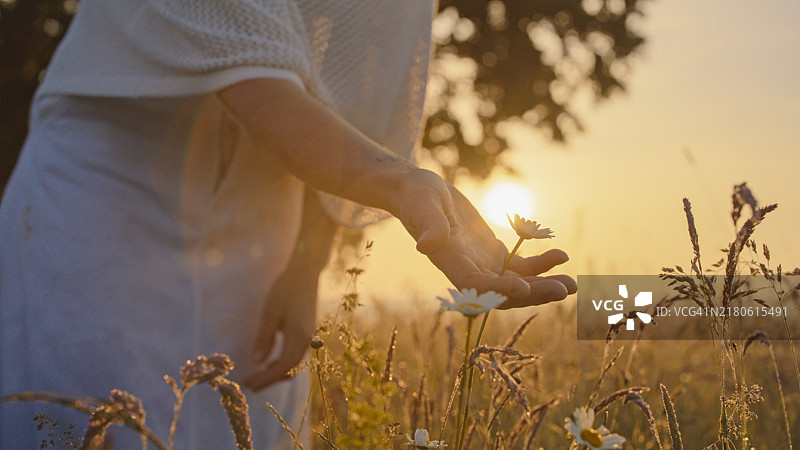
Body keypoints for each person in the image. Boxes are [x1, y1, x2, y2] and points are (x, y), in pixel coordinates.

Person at [0, 0, 576, 448]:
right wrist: (401, 182)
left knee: (238, 422)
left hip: (268, 209)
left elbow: (362, 91)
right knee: (81, 414)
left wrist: (306, 260)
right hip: (110, 188)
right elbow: (251, 73)